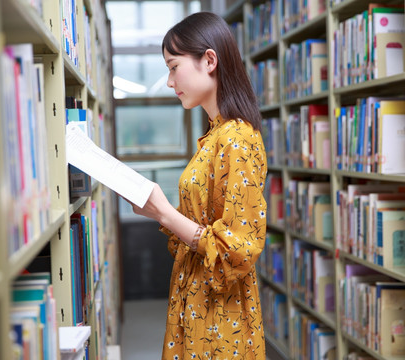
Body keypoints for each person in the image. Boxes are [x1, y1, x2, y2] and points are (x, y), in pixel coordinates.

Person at [132, 11, 268, 359]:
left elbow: (236, 251)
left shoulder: (237, 138)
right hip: (196, 302)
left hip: (220, 317)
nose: (168, 81)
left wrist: (164, 213)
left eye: (173, 66)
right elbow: (204, 226)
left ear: (209, 60)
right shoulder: (215, 135)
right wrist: (157, 211)